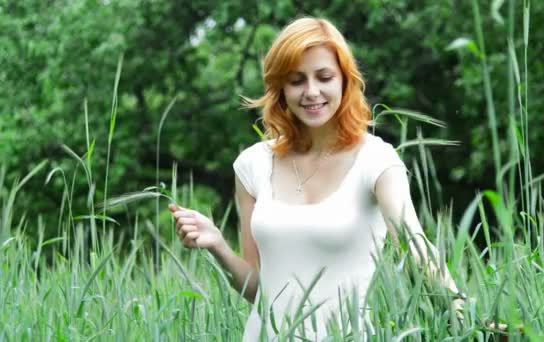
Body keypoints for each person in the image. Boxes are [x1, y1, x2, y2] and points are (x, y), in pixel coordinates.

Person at [169, 16, 464, 341]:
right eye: (296, 81)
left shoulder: (376, 159)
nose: (311, 92)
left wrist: (465, 315)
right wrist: (218, 247)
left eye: (324, 77)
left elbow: (415, 247)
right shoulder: (251, 165)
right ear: (280, 87)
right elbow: (258, 288)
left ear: (344, 81)